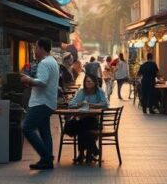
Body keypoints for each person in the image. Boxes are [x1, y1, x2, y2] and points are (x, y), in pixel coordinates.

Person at [20, 37, 60, 170]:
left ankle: (46, 156)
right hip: (49, 102)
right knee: (45, 132)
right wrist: (31, 81)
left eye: (36, 47)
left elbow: (42, 82)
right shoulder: (52, 61)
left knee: (26, 128)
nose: (34, 50)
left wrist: (28, 79)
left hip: (40, 103)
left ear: (42, 48)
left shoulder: (44, 63)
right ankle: (46, 162)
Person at [68, 75, 108, 163]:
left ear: (95, 83)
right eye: (86, 81)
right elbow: (70, 104)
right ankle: (92, 151)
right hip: (82, 118)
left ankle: (82, 154)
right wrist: (79, 104)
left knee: (83, 126)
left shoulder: (99, 92)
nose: (88, 83)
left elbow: (105, 104)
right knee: (84, 126)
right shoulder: (81, 92)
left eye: (90, 81)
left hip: (95, 120)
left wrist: (93, 105)